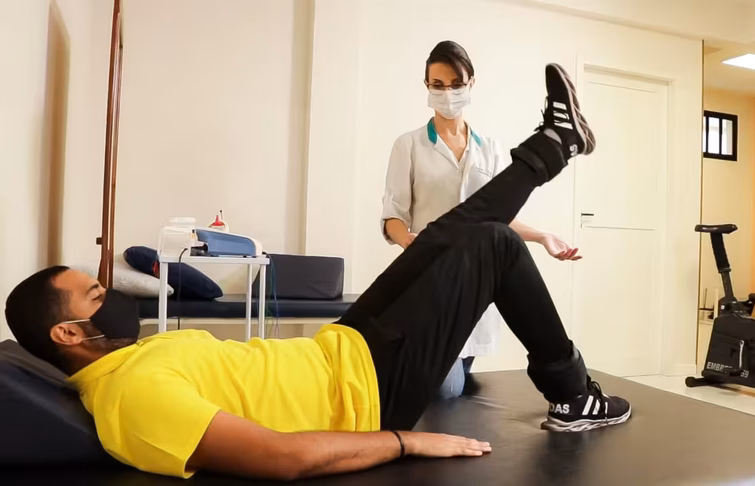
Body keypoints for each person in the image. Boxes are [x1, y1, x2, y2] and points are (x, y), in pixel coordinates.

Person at [5, 63, 622, 483]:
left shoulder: (129, 361)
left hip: (343, 346)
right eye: (95, 293)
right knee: (494, 245)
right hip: (369, 395)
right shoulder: (130, 396)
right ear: (68, 333)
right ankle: (575, 394)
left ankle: (555, 144)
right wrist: (406, 441)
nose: (111, 293)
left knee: (445, 234)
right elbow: (283, 457)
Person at [382, 41, 581, 399]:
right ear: (426, 86)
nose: (447, 93)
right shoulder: (409, 144)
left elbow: (498, 212)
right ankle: (556, 144)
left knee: (458, 383)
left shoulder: (488, 146)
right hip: (431, 275)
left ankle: (557, 143)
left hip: (476, 280)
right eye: (438, 85)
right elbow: (393, 215)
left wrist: (542, 236)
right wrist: (411, 243)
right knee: (445, 391)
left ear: (471, 83)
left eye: (456, 84)